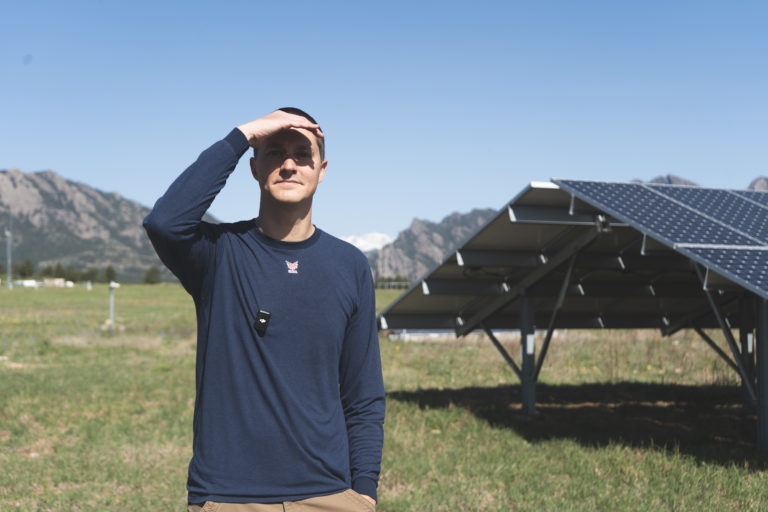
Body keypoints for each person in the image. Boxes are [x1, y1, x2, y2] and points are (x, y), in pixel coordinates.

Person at [143, 108, 385, 511]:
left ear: (321, 169)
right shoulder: (219, 254)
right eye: (274, 152)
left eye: (302, 155)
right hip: (230, 497)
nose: (289, 165)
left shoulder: (350, 265)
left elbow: (363, 394)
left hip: (331, 493)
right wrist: (243, 134)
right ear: (254, 168)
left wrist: (364, 492)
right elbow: (165, 222)